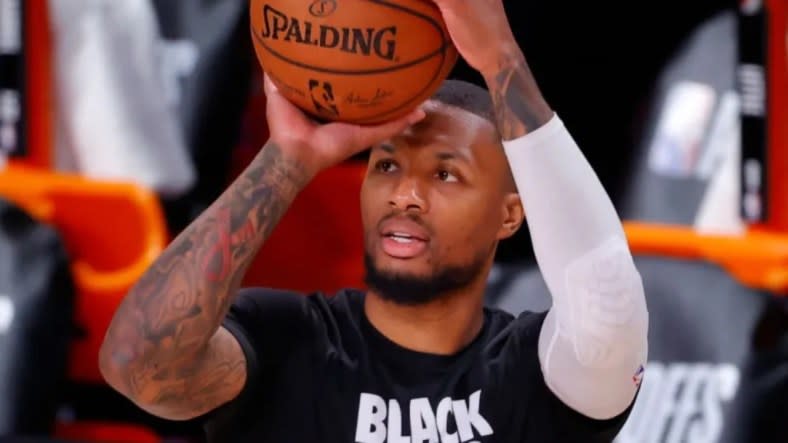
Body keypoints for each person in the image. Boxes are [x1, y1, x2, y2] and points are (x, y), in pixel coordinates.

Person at [99, 0, 649, 441]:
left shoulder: (535, 371)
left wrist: (503, 60)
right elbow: (136, 365)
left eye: (446, 175)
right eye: (386, 165)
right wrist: (286, 160)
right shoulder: (290, 339)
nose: (405, 194)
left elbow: (607, 299)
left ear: (510, 215)